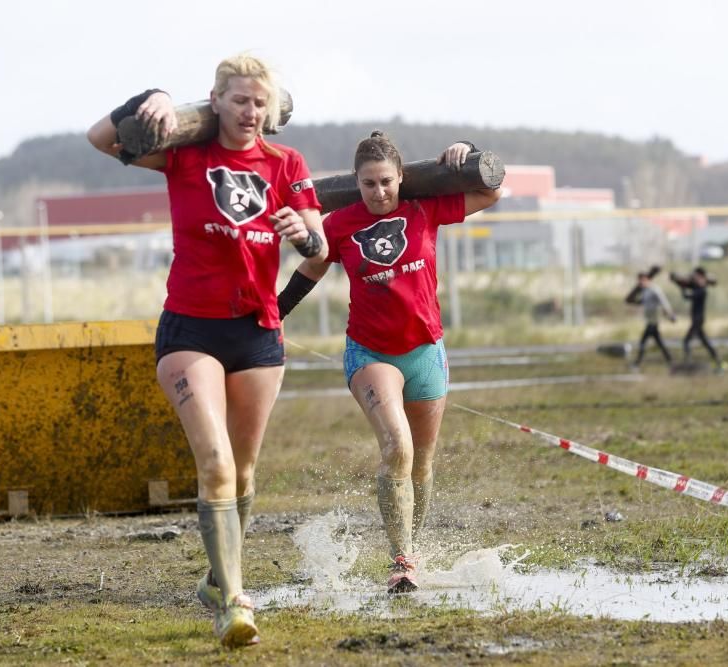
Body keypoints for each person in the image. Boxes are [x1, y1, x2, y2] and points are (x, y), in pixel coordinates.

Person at [87, 54, 327, 649]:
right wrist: (157, 97)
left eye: (259, 103)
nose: (250, 112)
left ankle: (217, 579)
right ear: (215, 101)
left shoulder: (285, 163)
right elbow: (100, 137)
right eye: (239, 100)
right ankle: (232, 603)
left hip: (257, 331)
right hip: (191, 330)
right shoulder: (183, 153)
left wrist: (303, 232)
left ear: (271, 110)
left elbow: (320, 247)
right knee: (215, 464)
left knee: (242, 472)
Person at [276, 131, 501, 593]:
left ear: (401, 178)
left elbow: (490, 190)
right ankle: (400, 562)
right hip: (371, 353)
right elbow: (310, 270)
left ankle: (411, 553)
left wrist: (466, 153)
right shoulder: (339, 224)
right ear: (355, 184)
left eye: (385, 182)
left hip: (426, 352)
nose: (378, 193)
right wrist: (272, 315)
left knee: (421, 463)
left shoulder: (424, 208)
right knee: (397, 447)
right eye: (368, 184)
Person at [671, 267, 727, 372]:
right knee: (705, 343)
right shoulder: (697, 287)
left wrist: (682, 288)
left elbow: (687, 296)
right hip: (697, 319)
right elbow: (686, 284)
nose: (694, 278)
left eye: (696, 276)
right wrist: (679, 282)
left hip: (698, 319)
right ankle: (719, 362)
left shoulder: (702, 290)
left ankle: (688, 365)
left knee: (686, 341)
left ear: (701, 277)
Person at [624, 266, 674, 370]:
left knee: (643, 341)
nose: (641, 282)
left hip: (654, 320)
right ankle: (670, 360)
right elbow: (641, 302)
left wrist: (670, 315)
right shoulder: (645, 291)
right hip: (649, 319)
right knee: (659, 342)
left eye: (643, 280)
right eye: (640, 281)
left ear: (648, 279)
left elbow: (664, 301)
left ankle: (637, 363)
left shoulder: (655, 290)